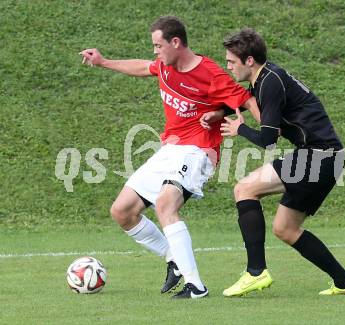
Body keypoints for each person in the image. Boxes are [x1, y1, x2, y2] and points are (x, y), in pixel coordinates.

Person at [79, 16, 258, 299]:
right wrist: (103, 62)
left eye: (158, 45)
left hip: (199, 149)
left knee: (165, 204)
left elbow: (247, 98)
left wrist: (264, 131)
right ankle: (172, 257)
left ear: (175, 42)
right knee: (122, 211)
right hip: (171, 149)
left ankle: (196, 286)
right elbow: (142, 66)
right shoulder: (165, 65)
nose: (155, 51)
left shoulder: (210, 73)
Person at [219, 28, 345, 297]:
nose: (228, 66)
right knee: (285, 229)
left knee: (244, 189)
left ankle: (255, 272)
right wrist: (217, 113)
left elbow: (268, 140)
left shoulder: (271, 81)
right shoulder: (265, 79)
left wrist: (240, 130)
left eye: (231, 61)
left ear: (249, 60)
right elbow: (248, 103)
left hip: (320, 156)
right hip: (326, 157)